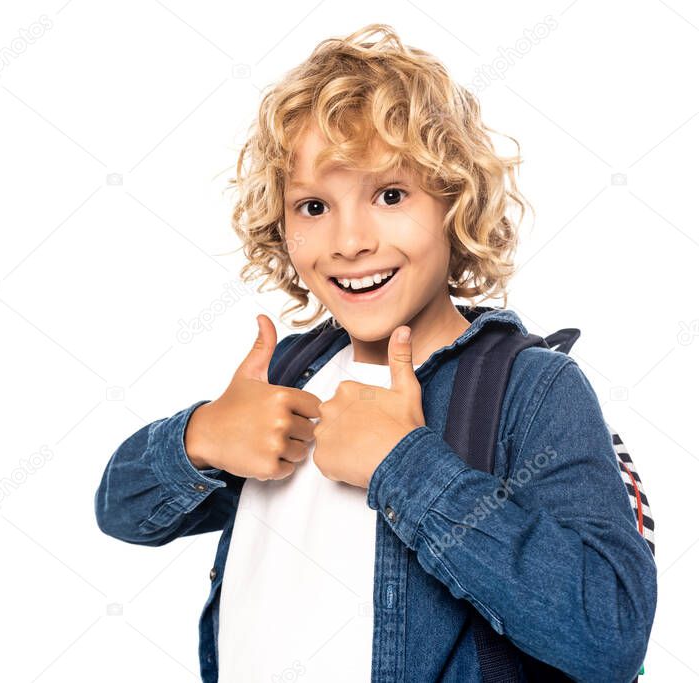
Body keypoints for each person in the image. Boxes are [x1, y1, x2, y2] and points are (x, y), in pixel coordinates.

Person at [94, 23, 656, 682]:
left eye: (390, 195)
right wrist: (199, 437)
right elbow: (122, 512)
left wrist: (405, 465)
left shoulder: (529, 388)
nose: (350, 239)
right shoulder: (291, 373)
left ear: (455, 200)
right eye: (312, 206)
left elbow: (611, 631)